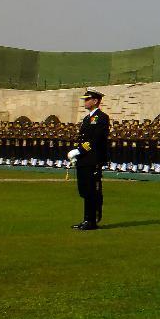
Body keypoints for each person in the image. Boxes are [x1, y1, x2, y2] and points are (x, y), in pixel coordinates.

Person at [67, 89, 110, 230]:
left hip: (93, 159)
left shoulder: (101, 117)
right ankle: (87, 220)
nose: (84, 102)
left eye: (87, 99)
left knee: (91, 191)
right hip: (84, 159)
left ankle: (91, 221)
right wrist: (77, 155)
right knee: (84, 190)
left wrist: (78, 151)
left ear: (95, 101)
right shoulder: (87, 118)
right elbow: (83, 138)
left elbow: (95, 140)